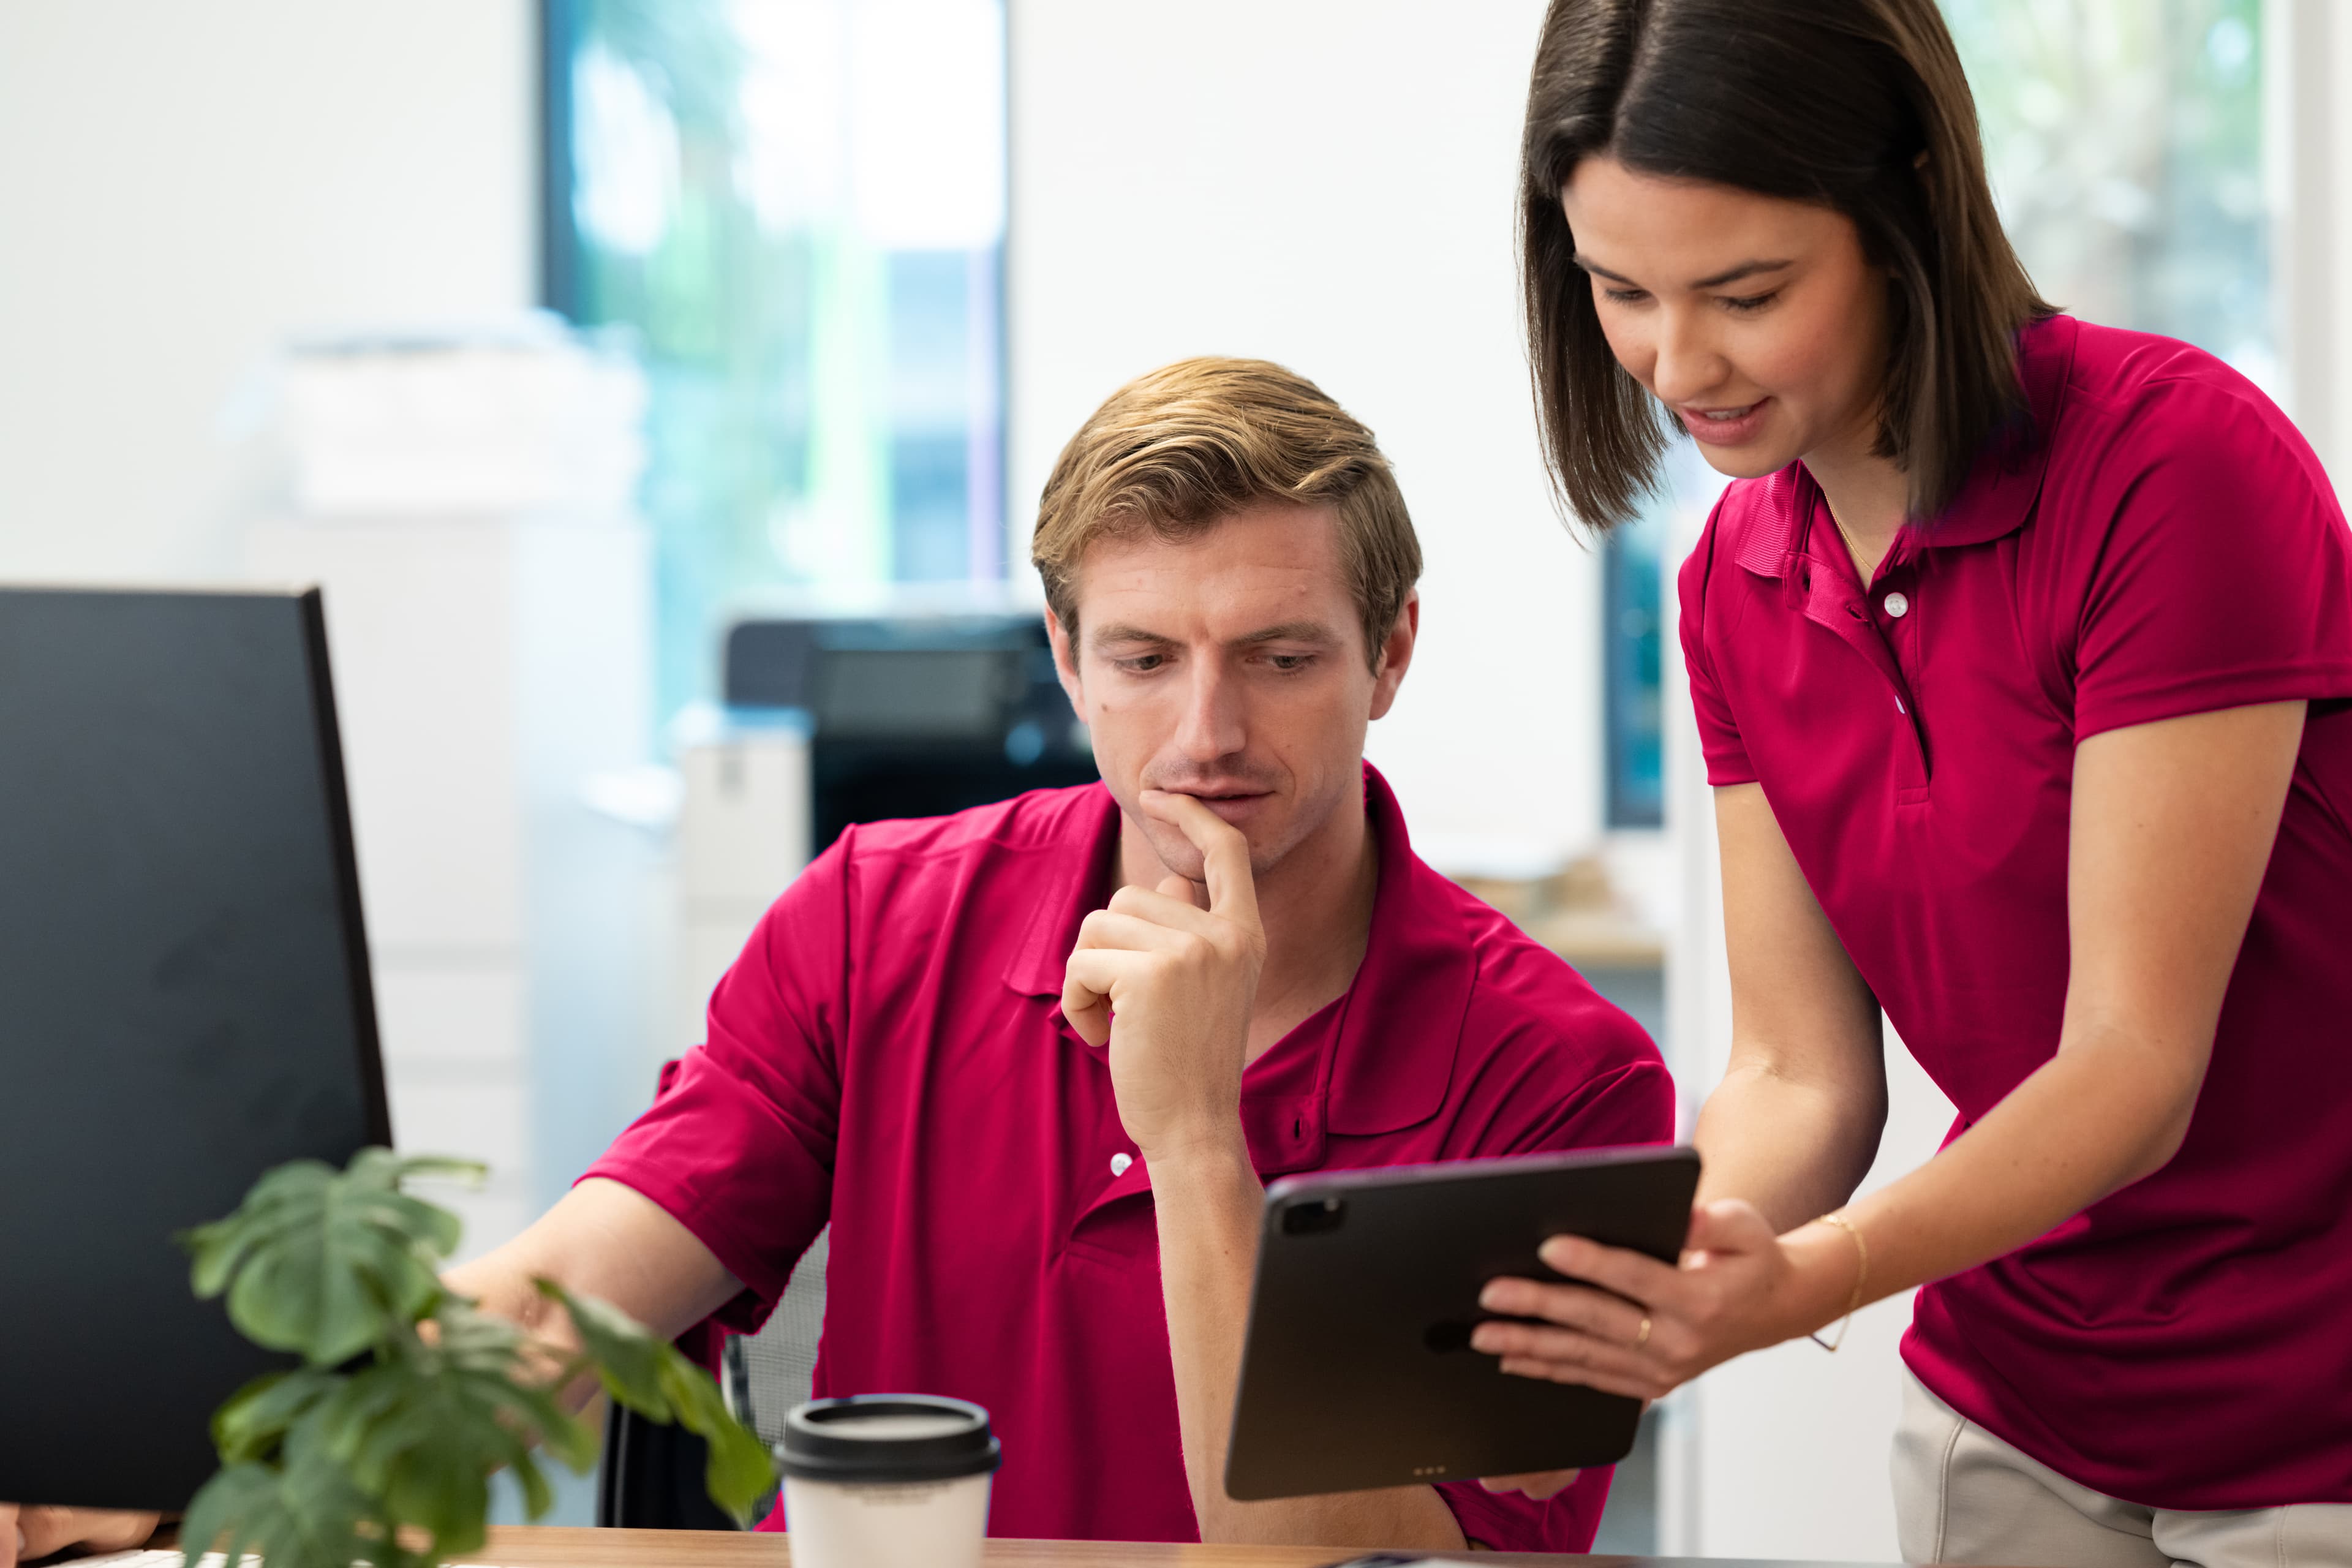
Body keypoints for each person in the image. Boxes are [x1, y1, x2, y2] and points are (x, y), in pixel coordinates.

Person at [0, 358, 1670, 1564]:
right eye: (1146, 659)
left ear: (1391, 654)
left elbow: (1324, 1561)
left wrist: (1193, 1139)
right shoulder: (880, 918)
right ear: (1067, 664)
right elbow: (570, 1299)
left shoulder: (1560, 1074)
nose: (1205, 735)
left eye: (1283, 658)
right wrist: (199, 1471)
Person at [1471, 3, 2352, 1565]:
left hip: (2312, 1418)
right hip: (2016, 1397)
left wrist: (1815, 1278)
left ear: (1905, 208)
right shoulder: (1733, 582)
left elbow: (2134, 1069)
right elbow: (1803, 1074)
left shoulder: (2172, 467)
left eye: (1746, 293)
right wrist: (1686, 1258)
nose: (1680, 364)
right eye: (1621, 291)